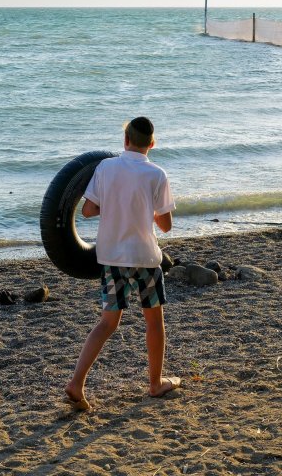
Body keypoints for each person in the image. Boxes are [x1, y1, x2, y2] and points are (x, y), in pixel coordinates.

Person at [64, 116, 179, 411]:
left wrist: (113, 203)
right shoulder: (157, 174)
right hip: (144, 258)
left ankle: (77, 383)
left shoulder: (105, 167)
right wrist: (147, 211)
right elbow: (165, 226)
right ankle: (155, 385)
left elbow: (88, 210)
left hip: (112, 259)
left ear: (125, 139)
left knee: (107, 323)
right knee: (154, 322)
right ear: (152, 144)